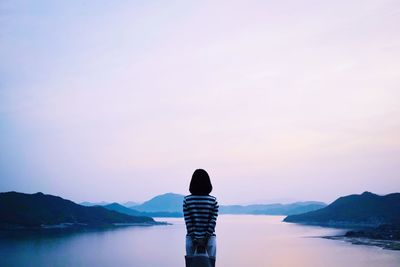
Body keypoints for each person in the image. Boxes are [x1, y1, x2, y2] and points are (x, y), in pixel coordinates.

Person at [183, 169, 219, 267]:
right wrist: (205, 238)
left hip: (191, 239)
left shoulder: (187, 200)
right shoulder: (213, 201)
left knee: (191, 265)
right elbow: (212, 221)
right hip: (210, 239)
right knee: (210, 265)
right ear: (208, 183)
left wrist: (195, 239)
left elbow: (188, 222)